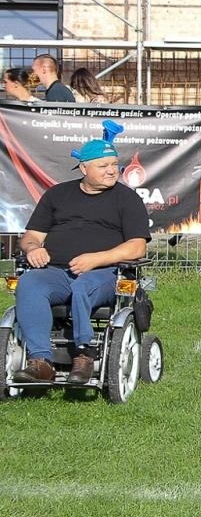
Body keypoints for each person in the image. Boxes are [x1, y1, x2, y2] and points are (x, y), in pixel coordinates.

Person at [12, 121, 151, 385]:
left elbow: (137, 246)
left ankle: (84, 355)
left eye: (114, 165)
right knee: (29, 283)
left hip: (105, 273)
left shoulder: (127, 199)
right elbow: (31, 236)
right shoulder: (57, 195)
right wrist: (33, 249)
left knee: (83, 286)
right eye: (104, 166)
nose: (112, 171)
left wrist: (96, 259)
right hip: (56, 271)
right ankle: (40, 362)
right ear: (84, 168)